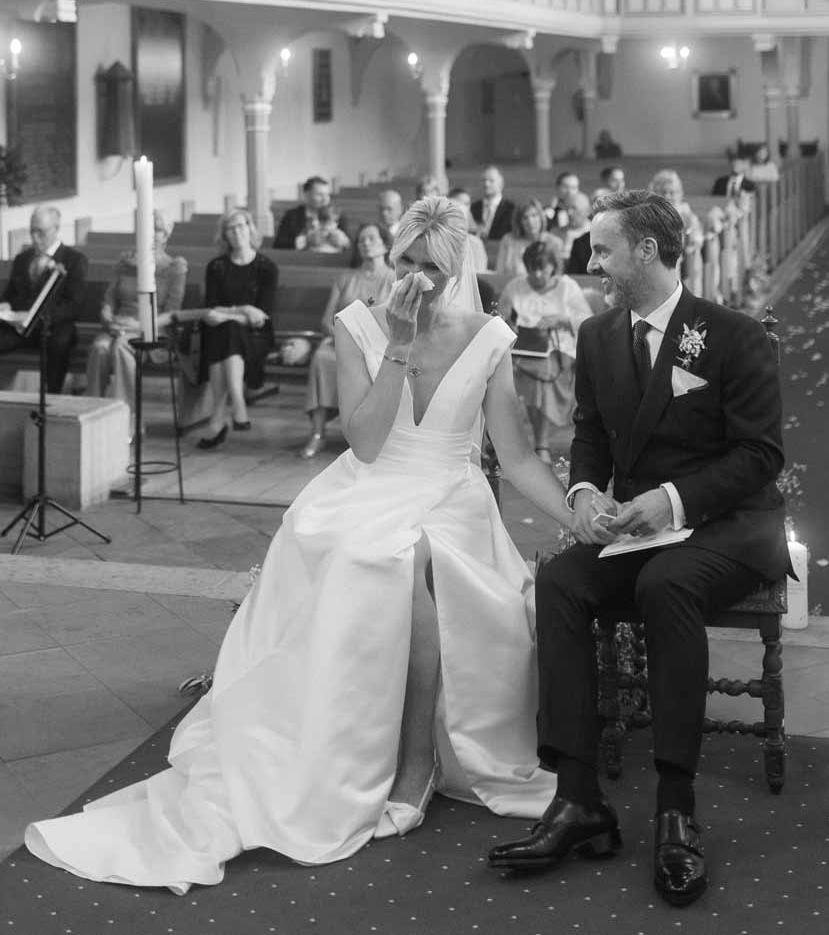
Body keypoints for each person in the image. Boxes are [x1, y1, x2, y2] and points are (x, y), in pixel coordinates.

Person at [25, 198, 571, 889]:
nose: (410, 277)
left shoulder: (489, 337)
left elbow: (519, 460)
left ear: (455, 271)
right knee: (365, 552)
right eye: (404, 260)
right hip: (372, 482)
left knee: (410, 553)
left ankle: (417, 764)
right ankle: (368, 752)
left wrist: (576, 514)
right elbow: (368, 443)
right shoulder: (357, 326)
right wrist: (397, 347)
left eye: (429, 268)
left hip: (450, 494)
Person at [488, 191, 791, 908]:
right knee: (560, 580)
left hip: (729, 526)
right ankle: (578, 799)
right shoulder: (598, 336)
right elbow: (590, 432)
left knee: (667, 586)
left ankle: (676, 809)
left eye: (604, 251)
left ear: (646, 252)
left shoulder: (733, 334)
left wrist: (675, 501)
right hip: (640, 529)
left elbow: (761, 456)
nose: (593, 264)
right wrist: (587, 494)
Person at [299, 222, 394, 460]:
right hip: (341, 342)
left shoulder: (393, 278)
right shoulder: (345, 278)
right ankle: (318, 433)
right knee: (322, 357)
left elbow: (395, 320)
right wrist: (344, 337)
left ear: (385, 245)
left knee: (375, 363)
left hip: (378, 344)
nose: (366, 243)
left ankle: (369, 435)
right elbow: (326, 320)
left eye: (372, 238)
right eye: (361, 240)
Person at [498, 240, 592, 463]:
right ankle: (511, 442)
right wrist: (510, 325)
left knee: (540, 374)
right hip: (524, 349)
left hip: (560, 350)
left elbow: (588, 322)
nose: (537, 274)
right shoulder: (516, 286)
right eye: (532, 269)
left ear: (554, 266)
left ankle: (540, 443)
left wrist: (561, 319)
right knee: (516, 368)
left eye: (543, 268)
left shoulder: (567, 287)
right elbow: (501, 318)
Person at [86, 210, 188, 409]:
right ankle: (92, 411)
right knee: (100, 348)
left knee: (121, 347)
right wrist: (107, 317)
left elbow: (171, 313)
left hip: (153, 331)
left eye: (156, 230)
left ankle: (126, 415)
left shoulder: (174, 267)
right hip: (118, 325)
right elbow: (109, 298)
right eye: (145, 229)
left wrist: (141, 325)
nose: (150, 234)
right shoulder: (124, 263)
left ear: (166, 235)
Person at [196, 208, 278, 450]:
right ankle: (236, 402)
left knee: (228, 329)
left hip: (256, 334)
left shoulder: (266, 267)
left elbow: (262, 314)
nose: (237, 232)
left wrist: (231, 314)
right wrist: (243, 309)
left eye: (241, 226)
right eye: (230, 228)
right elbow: (211, 309)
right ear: (225, 235)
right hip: (222, 331)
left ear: (250, 229)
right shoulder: (216, 267)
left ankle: (219, 416)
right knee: (227, 329)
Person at [0, 206, 88, 393]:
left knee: (60, 341)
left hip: (54, 326)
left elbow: (74, 305)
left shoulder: (73, 260)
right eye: (32, 231)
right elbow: (9, 295)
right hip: (21, 327)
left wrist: (37, 316)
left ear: (56, 229)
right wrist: (6, 306)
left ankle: (52, 396)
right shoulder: (22, 259)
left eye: (40, 232)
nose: (34, 238)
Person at [273, 177, 349, 252]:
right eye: (319, 195)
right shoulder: (292, 216)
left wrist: (343, 242)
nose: (325, 199)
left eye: (327, 195)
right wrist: (305, 241)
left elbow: (350, 247)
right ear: (306, 195)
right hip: (300, 262)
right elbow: (279, 245)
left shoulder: (338, 216)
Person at [495, 198, 564, 276]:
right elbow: (499, 273)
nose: (530, 222)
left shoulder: (555, 242)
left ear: (541, 217)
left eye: (534, 215)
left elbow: (558, 275)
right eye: (525, 218)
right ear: (519, 222)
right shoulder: (507, 240)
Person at [446, 188, 488, 270]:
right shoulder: (434, 241)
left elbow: (480, 272)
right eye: (460, 202)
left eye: (467, 204)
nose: (464, 207)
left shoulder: (475, 243)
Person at [471, 165, 515, 241]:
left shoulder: (511, 209)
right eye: (484, 180)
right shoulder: (473, 208)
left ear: (501, 183)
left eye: (491, 181)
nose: (486, 184)